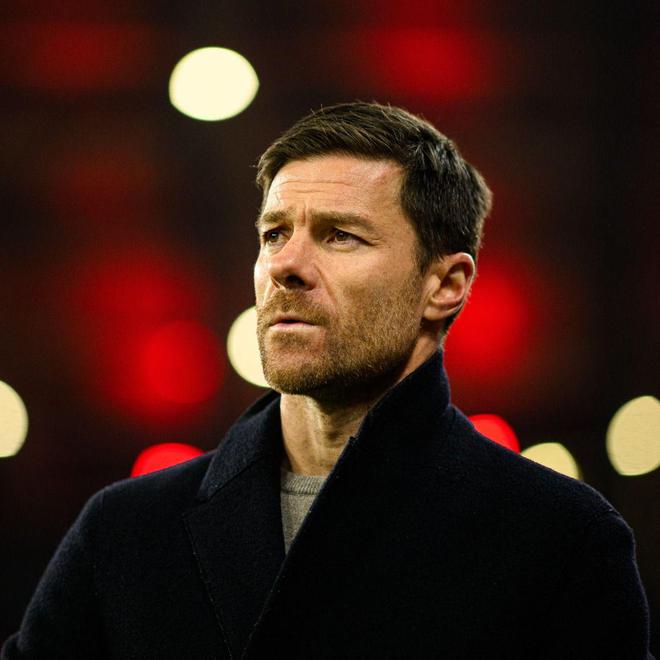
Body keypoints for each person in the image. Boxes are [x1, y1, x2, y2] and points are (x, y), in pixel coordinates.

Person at [3, 102, 651, 659]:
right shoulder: (126, 532)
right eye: (274, 233)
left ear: (445, 285)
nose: (285, 265)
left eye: (340, 236)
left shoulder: (559, 541)